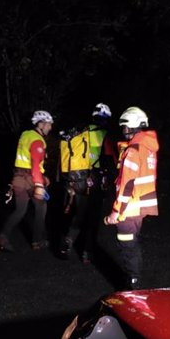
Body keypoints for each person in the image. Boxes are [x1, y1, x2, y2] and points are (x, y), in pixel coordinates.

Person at [104, 106, 159, 289]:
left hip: (129, 207)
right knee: (132, 244)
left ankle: (132, 286)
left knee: (127, 247)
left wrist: (116, 211)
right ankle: (134, 281)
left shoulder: (133, 150)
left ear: (134, 125)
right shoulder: (147, 148)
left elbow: (127, 184)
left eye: (126, 127)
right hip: (141, 205)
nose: (124, 131)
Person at [57, 102, 117, 262]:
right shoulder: (104, 134)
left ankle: (69, 240)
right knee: (93, 216)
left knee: (79, 212)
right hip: (96, 178)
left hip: (78, 177)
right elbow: (110, 159)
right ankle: (87, 253)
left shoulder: (82, 131)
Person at [0, 110, 53, 252]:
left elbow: (25, 161)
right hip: (30, 180)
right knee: (41, 207)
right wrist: (40, 184)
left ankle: (3, 236)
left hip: (18, 178)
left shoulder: (25, 135)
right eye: (48, 124)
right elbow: (35, 164)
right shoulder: (38, 141)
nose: (50, 127)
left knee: (20, 210)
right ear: (41, 124)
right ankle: (37, 241)